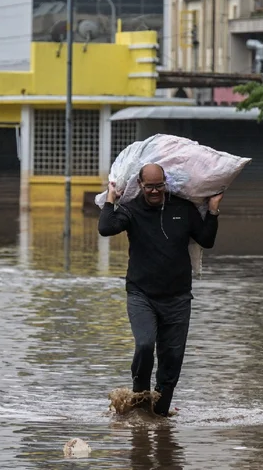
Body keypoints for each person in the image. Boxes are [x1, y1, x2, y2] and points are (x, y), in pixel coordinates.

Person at [98, 163, 223, 417]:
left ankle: (160, 415)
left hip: (178, 297)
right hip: (141, 295)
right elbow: (105, 228)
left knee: (172, 360)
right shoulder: (132, 210)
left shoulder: (183, 209)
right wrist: (111, 198)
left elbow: (206, 240)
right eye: (149, 186)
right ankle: (141, 402)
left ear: (166, 184)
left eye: (159, 186)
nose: (155, 191)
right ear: (140, 185)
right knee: (145, 345)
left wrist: (212, 211)